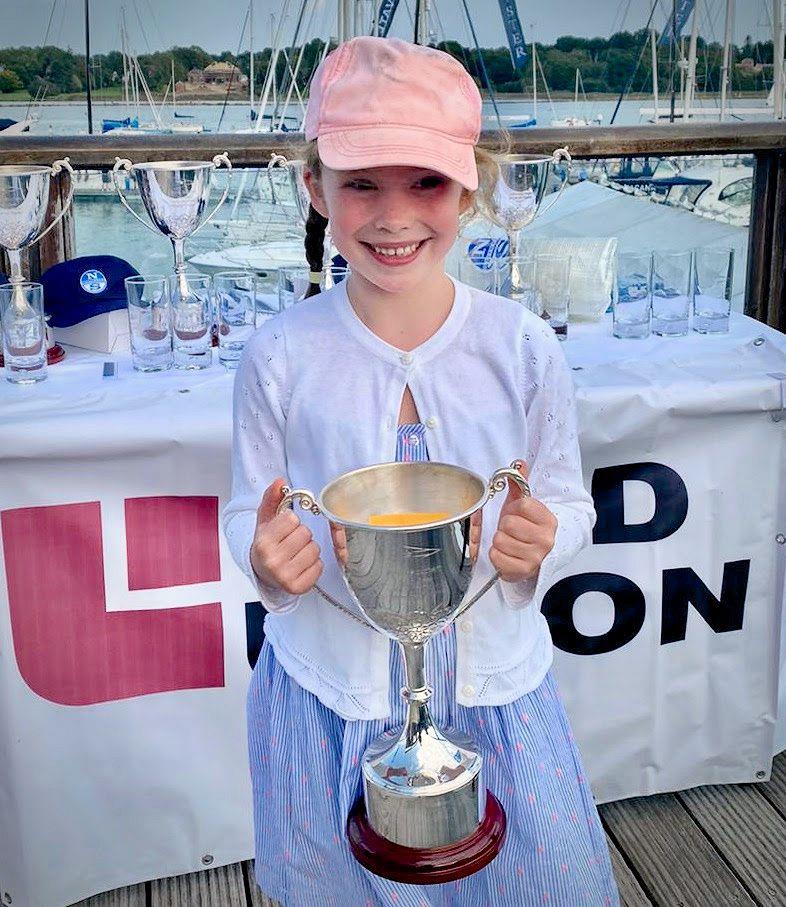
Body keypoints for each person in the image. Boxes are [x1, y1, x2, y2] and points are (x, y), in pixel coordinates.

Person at [223, 36, 619, 907]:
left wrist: (543, 542)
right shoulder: (279, 354)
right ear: (313, 187)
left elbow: (566, 499)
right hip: (328, 691)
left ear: (470, 187)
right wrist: (267, 566)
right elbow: (243, 507)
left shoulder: (519, 347)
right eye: (361, 182)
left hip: (493, 691)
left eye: (426, 181)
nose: (392, 216)